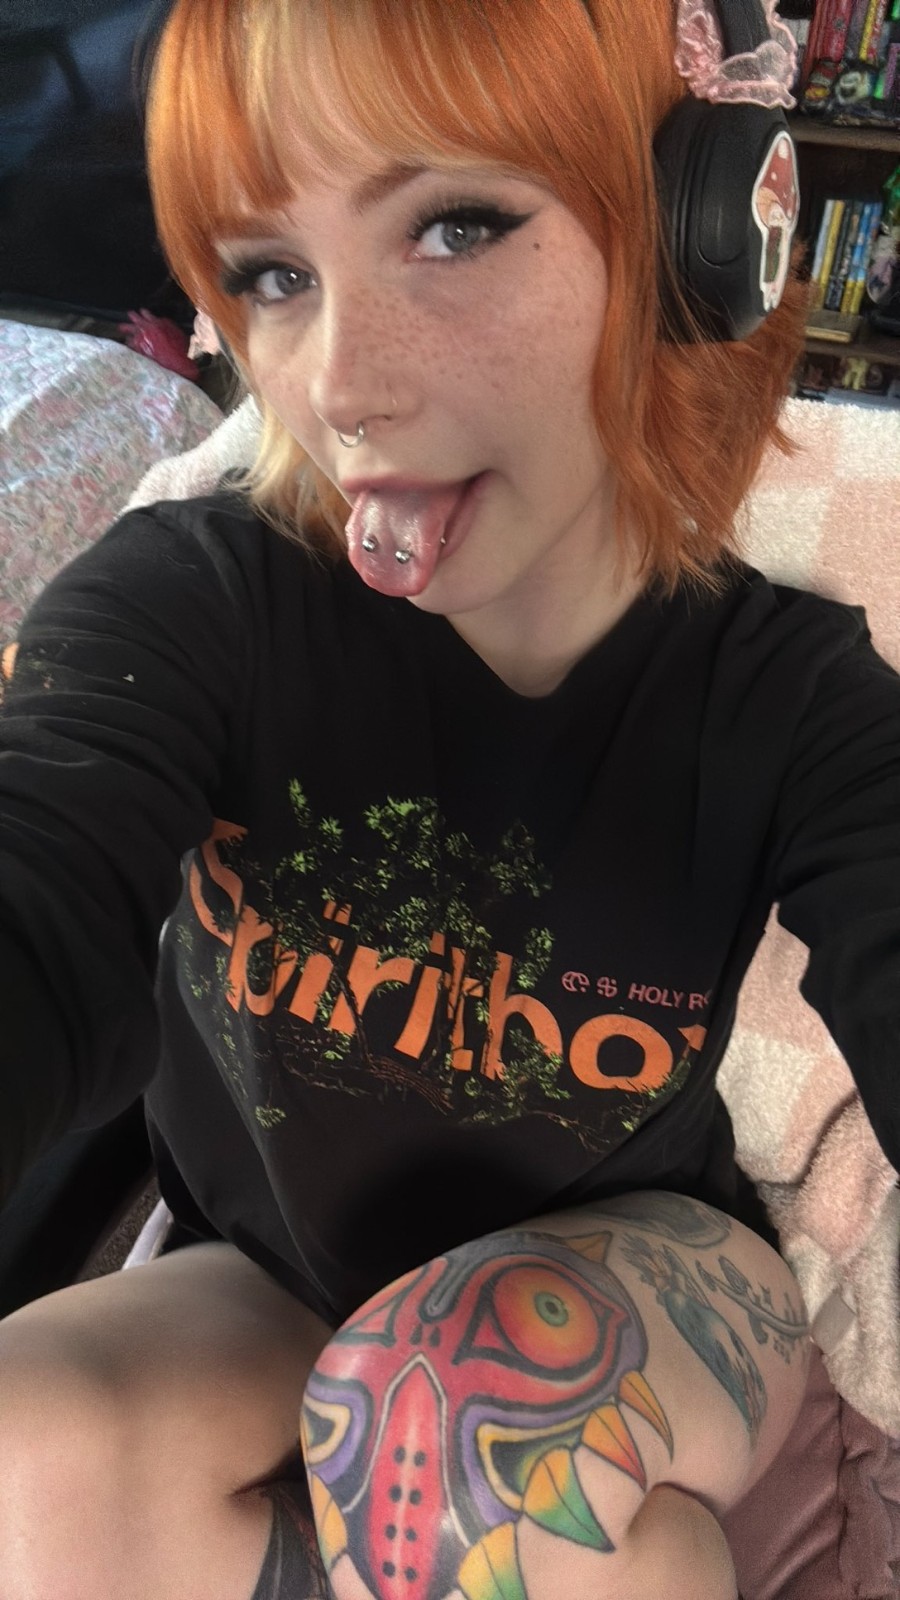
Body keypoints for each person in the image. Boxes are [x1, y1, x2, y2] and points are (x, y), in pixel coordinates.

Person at [0, 1, 896, 1596]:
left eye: (457, 226)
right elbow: (40, 874)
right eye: (273, 273)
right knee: (25, 1462)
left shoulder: (788, 695)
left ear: (695, 232)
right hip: (269, 1273)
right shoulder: (189, 604)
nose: (342, 385)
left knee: (466, 1435)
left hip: (654, 1280)